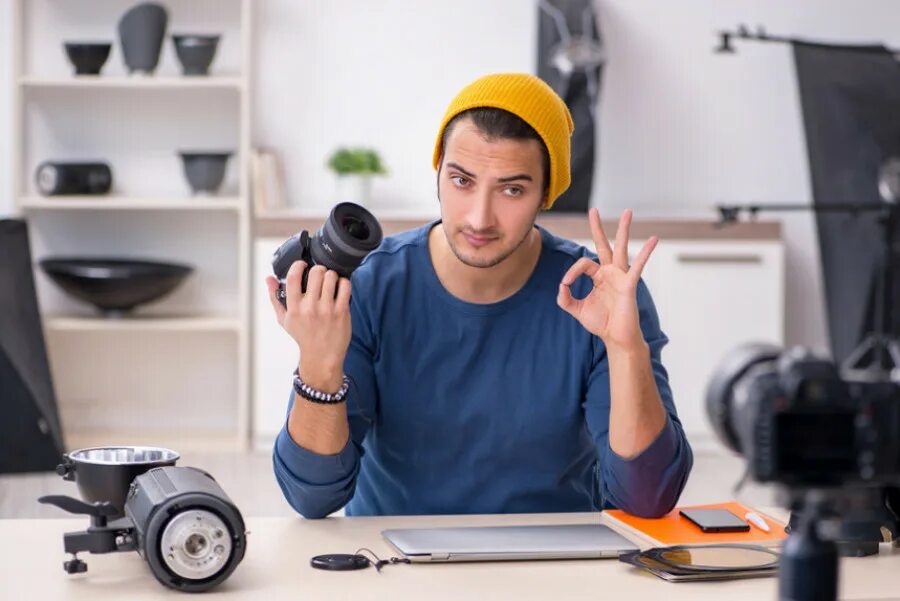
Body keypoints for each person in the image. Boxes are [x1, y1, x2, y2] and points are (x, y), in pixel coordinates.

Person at [267, 73, 693, 519]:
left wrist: (626, 349)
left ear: (547, 193)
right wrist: (319, 364)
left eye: (512, 189)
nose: (479, 217)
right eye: (462, 181)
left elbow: (646, 499)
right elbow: (313, 498)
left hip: (555, 560)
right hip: (395, 565)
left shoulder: (602, 295)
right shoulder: (371, 286)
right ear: (439, 172)